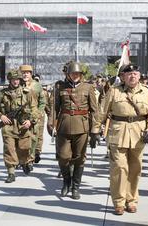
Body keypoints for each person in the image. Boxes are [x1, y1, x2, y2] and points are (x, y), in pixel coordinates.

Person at [93, 64, 148, 215]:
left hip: (138, 134)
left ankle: (132, 200)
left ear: (139, 75)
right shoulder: (114, 91)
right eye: (129, 74)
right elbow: (102, 111)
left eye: (135, 73)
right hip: (118, 133)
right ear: (123, 76)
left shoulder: (146, 92)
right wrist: (95, 130)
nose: (132, 76)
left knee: (135, 169)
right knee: (119, 169)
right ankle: (119, 201)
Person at [47, 61, 99, 200]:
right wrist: (51, 125)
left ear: (81, 75)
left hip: (82, 127)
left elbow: (94, 110)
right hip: (63, 126)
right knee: (63, 157)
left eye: (78, 73)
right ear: (68, 74)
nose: (75, 75)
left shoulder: (88, 87)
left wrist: (95, 130)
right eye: (72, 73)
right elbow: (54, 108)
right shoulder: (59, 86)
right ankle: (66, 182)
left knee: (79, 158)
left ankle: (76, 187)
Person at [0, 69, 39, 183]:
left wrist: (30, 121)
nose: (16, 81)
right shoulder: (3, 93)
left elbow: (34, 109)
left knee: (24, 147)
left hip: (23, 125)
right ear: (10, 80)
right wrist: (0, 116)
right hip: (8, 126)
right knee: (9, 149)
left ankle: (24, 162)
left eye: (18, 79)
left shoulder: (27, 93)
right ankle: (11, 172)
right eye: (14, 79)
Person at [19, 65, 46, 168]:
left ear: (31, 74)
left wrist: (38, 113)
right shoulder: (18, 85)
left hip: (34, 115)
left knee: (34, 138)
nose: (25, 74)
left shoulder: (37, 86)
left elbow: (42, 102)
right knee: (21, 138)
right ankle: (22, 159)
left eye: (27, 72)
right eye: (23, 73)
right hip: (21, 116)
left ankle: (30, 160)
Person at [33, 74, 51, 163]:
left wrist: (50, 115)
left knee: (39, 135)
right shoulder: (27, 89)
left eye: (37, 79)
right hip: (30, 115)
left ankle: (37, 152)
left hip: (40, 115)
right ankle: (33, 152)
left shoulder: (43, 91)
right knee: (31, 135)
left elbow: (46, 104)